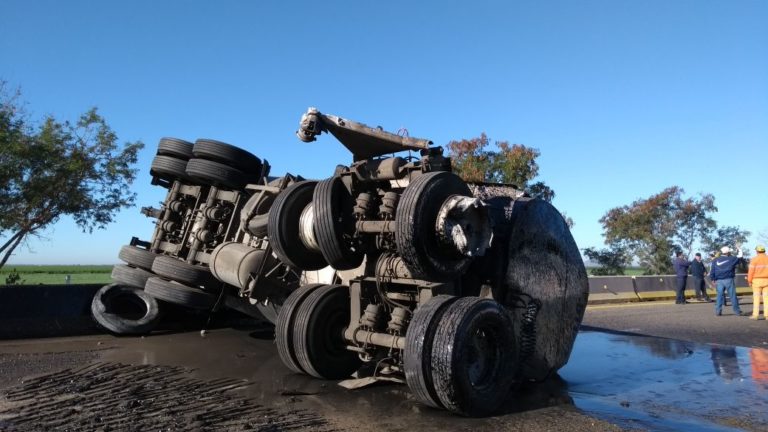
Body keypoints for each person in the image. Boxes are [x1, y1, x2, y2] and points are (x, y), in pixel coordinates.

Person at [709, 246, 746, 316]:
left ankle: (718, 311)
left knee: (719, 296)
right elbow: (740, 256)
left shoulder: (715, 260)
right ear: (728, 252)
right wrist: (739, 249)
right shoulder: (731, 259)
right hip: (728, 279)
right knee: (732, 296)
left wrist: (712, 279)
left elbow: (712, 271)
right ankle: (737, 311)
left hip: (719, 280)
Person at [747, 245, 768, 320]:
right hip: (767, 281)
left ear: (757, 251)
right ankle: (767, 315)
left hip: (756, 281)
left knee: (756, 298)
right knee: (767, 298)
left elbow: (751, 272)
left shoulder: (754, 259)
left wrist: (749, 281)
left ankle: (755, 315)